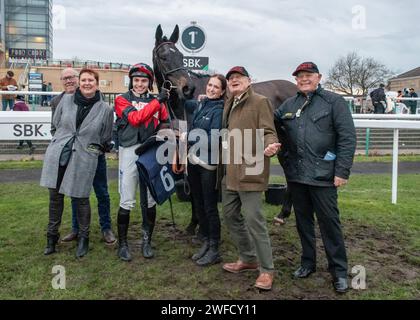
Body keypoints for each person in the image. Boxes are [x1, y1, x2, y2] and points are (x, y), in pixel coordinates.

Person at [274, 62, 356, 293]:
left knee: (329, 224)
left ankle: (339, 271)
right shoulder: (289, 105)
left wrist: (341, 171)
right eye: (300, 76)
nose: (304, 79)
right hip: (298, 177)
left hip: (324, 177)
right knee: (303, 223)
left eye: (308, 75)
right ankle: (307, 262)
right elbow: (270, 122)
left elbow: (347, 138)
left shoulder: (334, 102)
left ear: (319, 77)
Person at [40, 68, 114, 258]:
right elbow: (56, 125)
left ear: (97, 83)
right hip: (59, 155)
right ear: (79, 82)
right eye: (84, 80)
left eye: (91, 80)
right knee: (55, 198)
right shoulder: (65, 100)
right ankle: (51, 238)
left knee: (82, 198)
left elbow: (105, 136)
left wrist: (92, 150)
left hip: (86, 158)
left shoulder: (105, 109)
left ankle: (84, 238)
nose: (87, 83)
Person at [221, 66, 281, 291]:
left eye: (238, 78)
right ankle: (247, 258)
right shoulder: (229, 102)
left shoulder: (260, 101)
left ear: (248, 81)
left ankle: (267, 270)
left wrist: (270, 145)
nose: (234, 81)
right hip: (230, 171)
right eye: (231, 79)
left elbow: (268, 130)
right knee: (229, 215)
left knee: (254, 220)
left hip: (251, 169)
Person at [114, 63, 170, 262]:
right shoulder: (121, 99)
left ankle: (147, 240)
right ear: (131, 81)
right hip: (129, 151)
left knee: (150, 199)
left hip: (149, 151)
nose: (139, 84)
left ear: (149, 82)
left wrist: (164, 132)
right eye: (136, 80)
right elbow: (136, 118)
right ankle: (123, 244)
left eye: (144, 80)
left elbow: (165, 121)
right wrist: (158, 101)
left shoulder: (158, 102)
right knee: (127, 199)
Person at [184, 74, 227, 266]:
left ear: (222, 91)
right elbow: (185, 103)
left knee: (210, 208)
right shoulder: (202, 104)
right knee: (199, 204)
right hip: (194, 162)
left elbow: (212, 140)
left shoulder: (219, 110)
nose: (211, 89)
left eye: (216, 87)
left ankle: (215, 248)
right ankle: (206, 242)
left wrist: (188, 135)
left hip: (208, 166)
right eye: (210, 85)